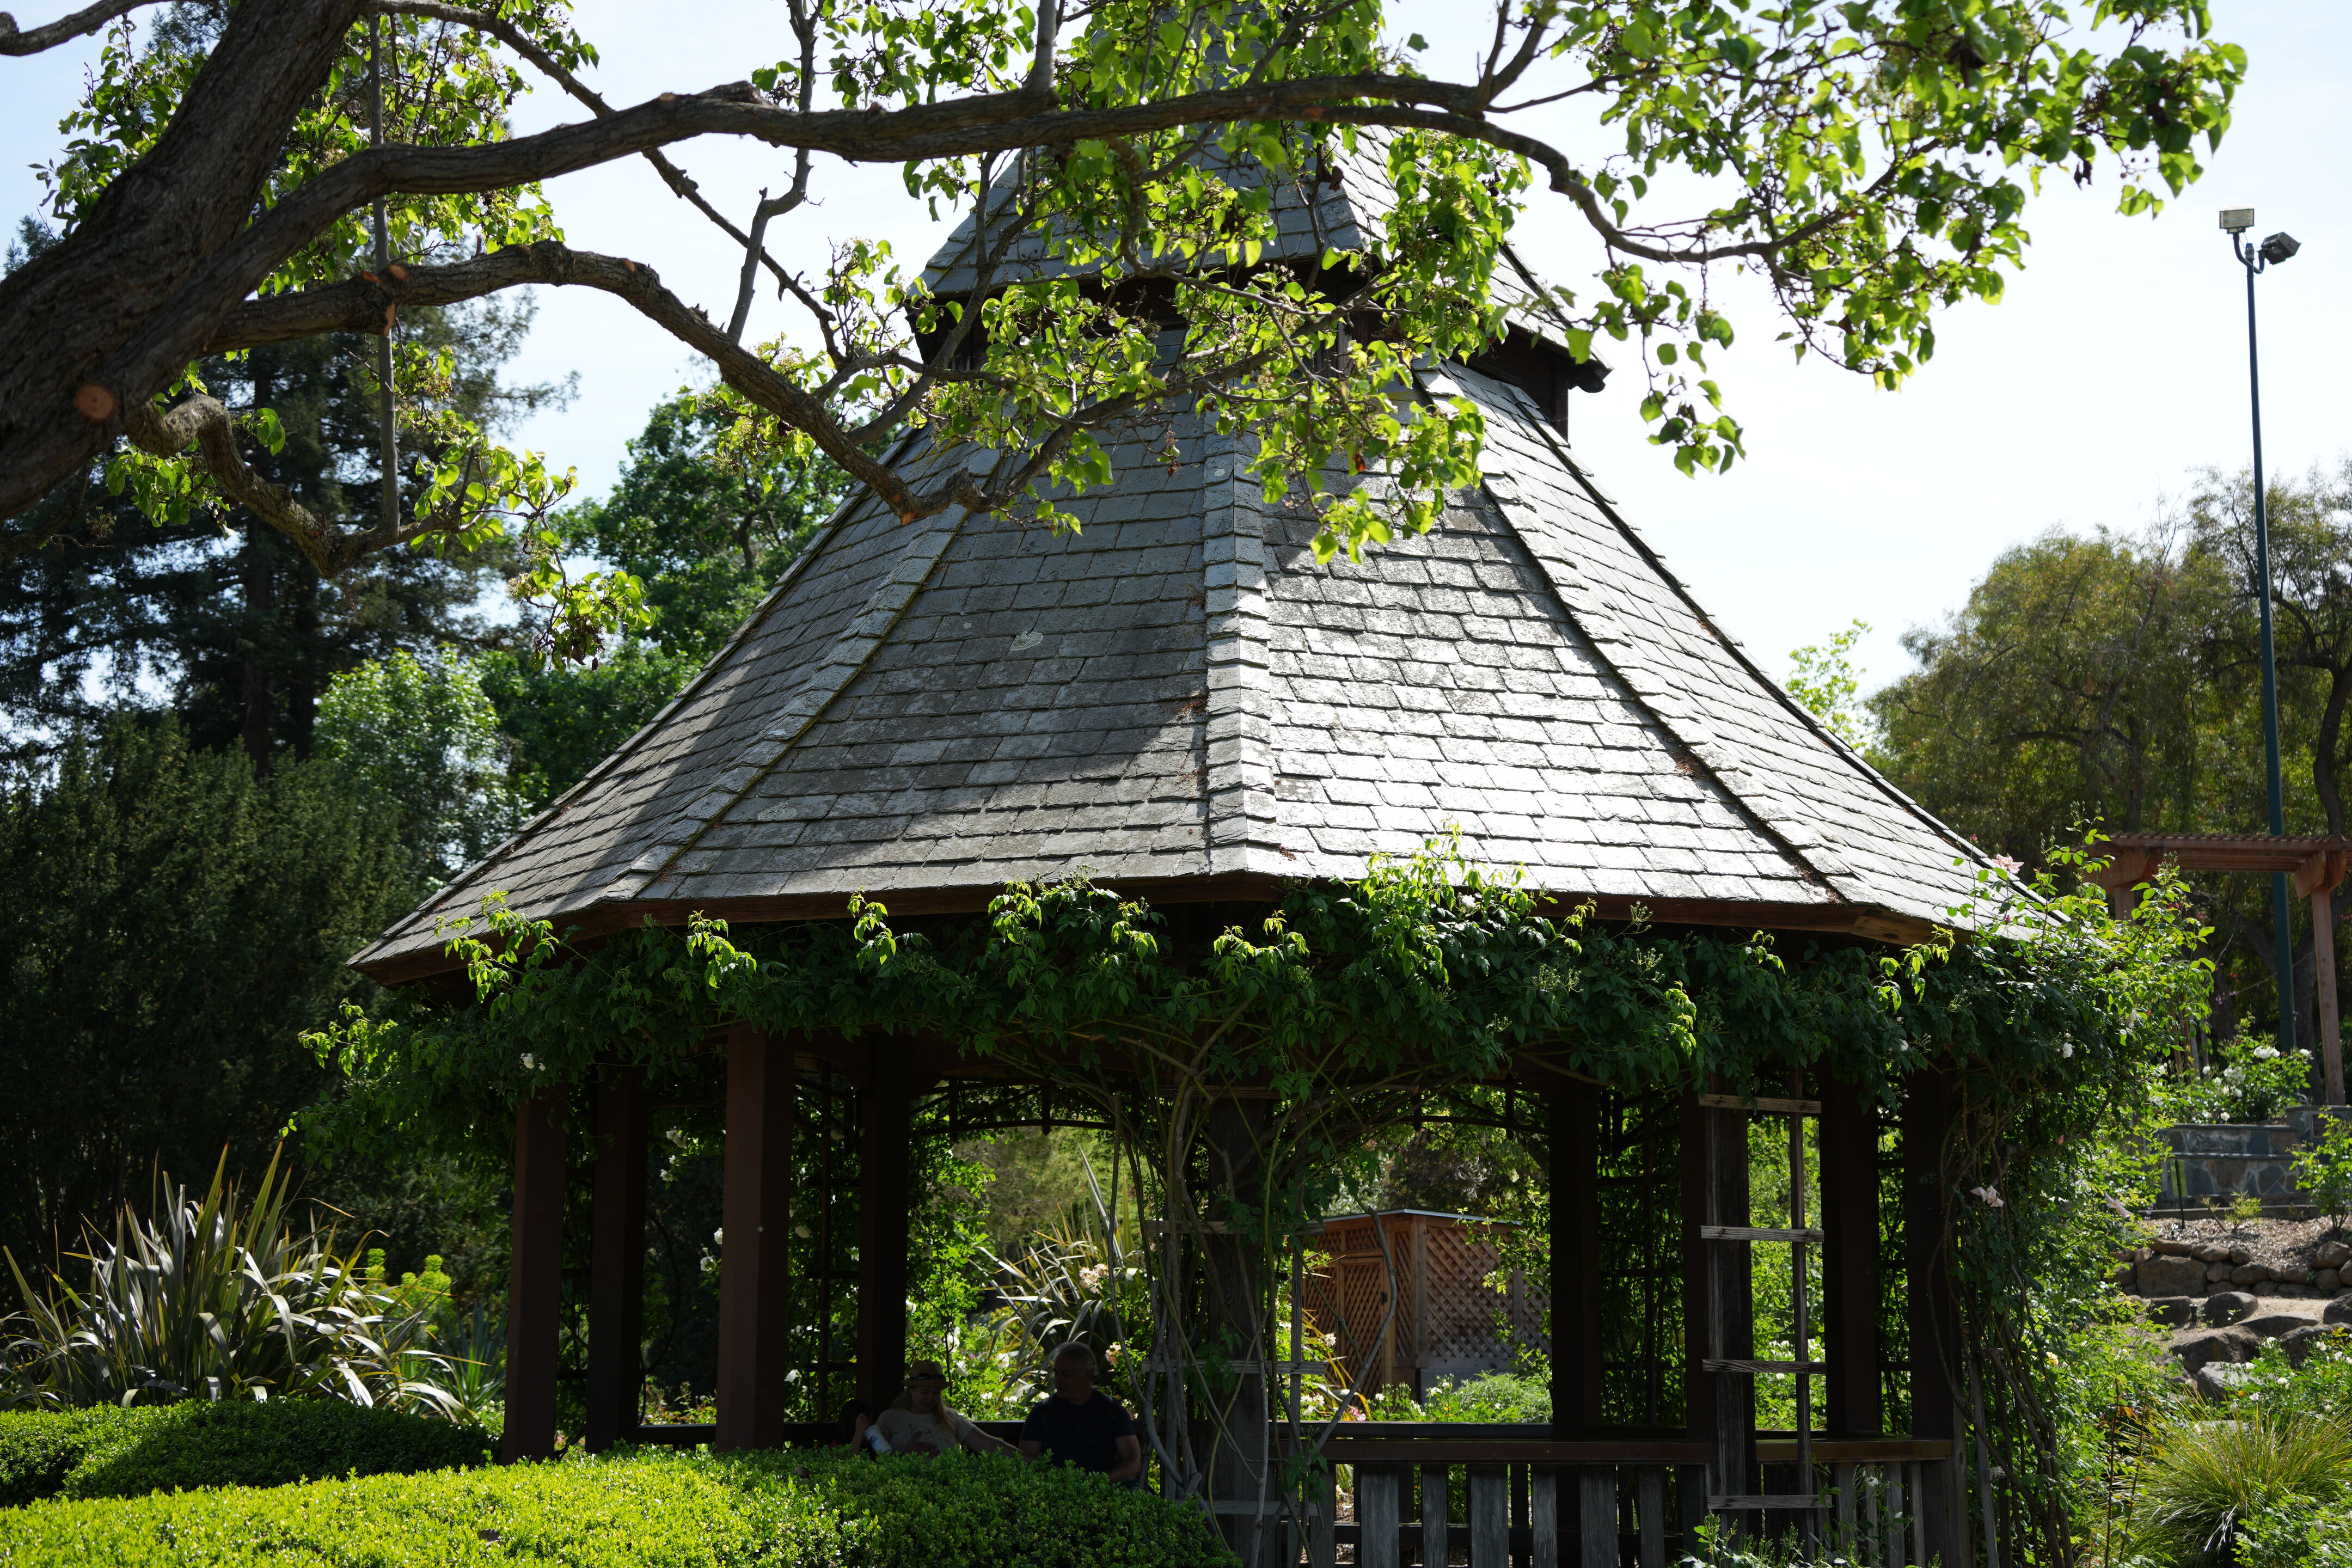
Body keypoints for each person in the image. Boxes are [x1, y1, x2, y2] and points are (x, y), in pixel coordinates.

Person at [1019, 1343, 1142, 1485]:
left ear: (1087, 1374)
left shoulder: (1112, 1409)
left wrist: (1098, 1483)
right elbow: (1027, 1461)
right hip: (1057, 1493)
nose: (1058, 1380)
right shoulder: (1042, 1411)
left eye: (1065, 1374)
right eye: (1056, 1373)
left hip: (1106, 1490)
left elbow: (1134, 1462)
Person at [873, 1360, 1019, 1457]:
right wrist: (908, 1455)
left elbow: (989, 1444)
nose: (930, 1398)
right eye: (925, 1392)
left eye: (936, 1393)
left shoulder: (950, 1418)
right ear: (911, 1389)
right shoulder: (890, 1419)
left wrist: (1032, 1462)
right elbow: (875, 1464)